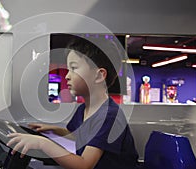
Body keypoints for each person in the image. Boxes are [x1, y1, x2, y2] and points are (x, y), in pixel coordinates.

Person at [7, 34, 138, 169]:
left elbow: (84, 165)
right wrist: (54, 130)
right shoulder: (84, 109)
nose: (67, 76)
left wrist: (42, 143)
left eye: (74, 68)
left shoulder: (109, 116)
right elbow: (78, 136)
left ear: (99, 76)